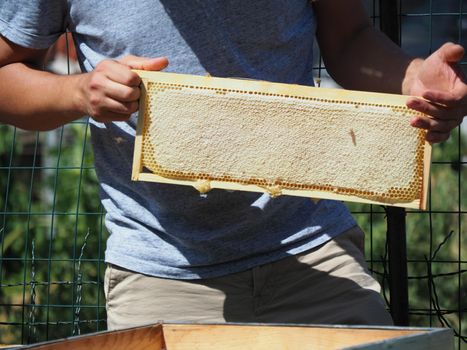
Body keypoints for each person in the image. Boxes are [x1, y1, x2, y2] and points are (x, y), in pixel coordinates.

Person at [0, 0, 465, 330]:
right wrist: (78, 92)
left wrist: (412, 79)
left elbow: (349, 38)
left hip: (314, 255)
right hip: (162, 276)